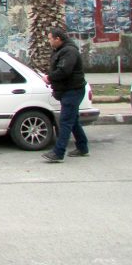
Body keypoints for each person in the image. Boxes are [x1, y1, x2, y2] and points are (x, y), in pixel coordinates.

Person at [42, 27, 89, 163]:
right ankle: (82, 147)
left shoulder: (69, 51)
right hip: (67, 90)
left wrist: (49, 78)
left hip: (73, 91)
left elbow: (64, 71)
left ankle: (58, 152)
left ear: (58, 39)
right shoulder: (61, 50)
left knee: (65, 121)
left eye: (50, 39)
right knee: (72, 120)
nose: (49, 41)